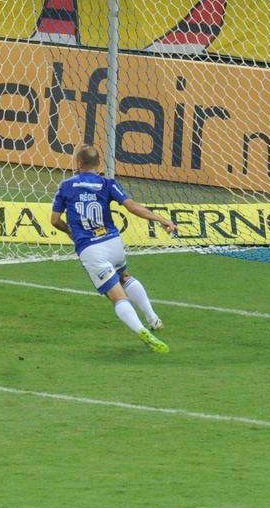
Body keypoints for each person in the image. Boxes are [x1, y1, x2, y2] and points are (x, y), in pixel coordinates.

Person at [51, 144, 177, 353]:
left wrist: (70, 232)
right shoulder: (107, 183)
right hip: (113, 242)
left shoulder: (66, 186)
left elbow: (54, 220)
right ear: (98, 164)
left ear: (78, 163)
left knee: (118, 297)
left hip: (91, 249)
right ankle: (153, 318)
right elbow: (132, 207)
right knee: (125, 277)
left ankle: (141, 331)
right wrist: (161, 219)